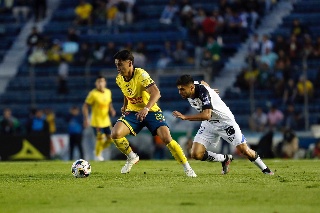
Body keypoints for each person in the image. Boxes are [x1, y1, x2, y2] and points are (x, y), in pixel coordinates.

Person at [111, 50, 196, 177]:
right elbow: (126, 92)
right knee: (115, 134)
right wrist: (125, 105)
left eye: (120, 64)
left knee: (167, 138)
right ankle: (131, 156)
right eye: (116, 64)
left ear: (129, 63)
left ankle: (187, 167)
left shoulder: (141, 74)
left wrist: (146, 108)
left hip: (150, 111)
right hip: (133, 112)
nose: (118, 68)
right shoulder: (119, 79)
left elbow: (156, 93)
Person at [173, 75, 274, 175]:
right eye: (179, 89)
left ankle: (266, 170)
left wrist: (185, 117)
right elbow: (202, 82)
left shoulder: (203, 93)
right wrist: (211, 90)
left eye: (182, 89)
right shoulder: (194, 87)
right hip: (210, 124)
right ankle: (225, 159)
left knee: (244, 150)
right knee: (196, 154)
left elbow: (206, 115)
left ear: (191, 88)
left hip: (225, 122)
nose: (180, 92)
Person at [82, 75, 116, 161]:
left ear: (105, 83)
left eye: (102, 82)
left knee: (111, 139)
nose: (100, 84)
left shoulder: (108, 92)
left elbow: (109, 103)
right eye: (98, 82)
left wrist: (111, 110)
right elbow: (85, 106)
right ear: (96, 83)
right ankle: (97, 155)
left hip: (106, 121)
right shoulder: (93, 94)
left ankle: (98, 150)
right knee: (100, 139)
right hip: (96, 121)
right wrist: (86, 119)